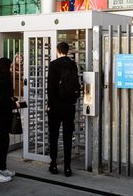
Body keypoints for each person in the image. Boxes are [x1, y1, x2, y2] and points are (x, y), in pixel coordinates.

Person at [47, 42, 80, 177]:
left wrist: (50, 104)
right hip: (69, 107)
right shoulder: (73, 65)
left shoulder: (53, 65)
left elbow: (51, 87)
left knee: (53, 136)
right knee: (67, 137)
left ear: (57, 51)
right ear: (68, 51)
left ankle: (53, 164)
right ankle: (67, 167)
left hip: (55, 107)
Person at [0, 58, 20, 183]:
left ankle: (2, 168)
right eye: (10, 66)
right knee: (2, 143)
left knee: (4, 141)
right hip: (0, 115)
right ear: (6, 67)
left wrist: (10, 99)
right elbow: (3, 101)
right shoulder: (5, 80)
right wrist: (14, 103)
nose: (11, 68)